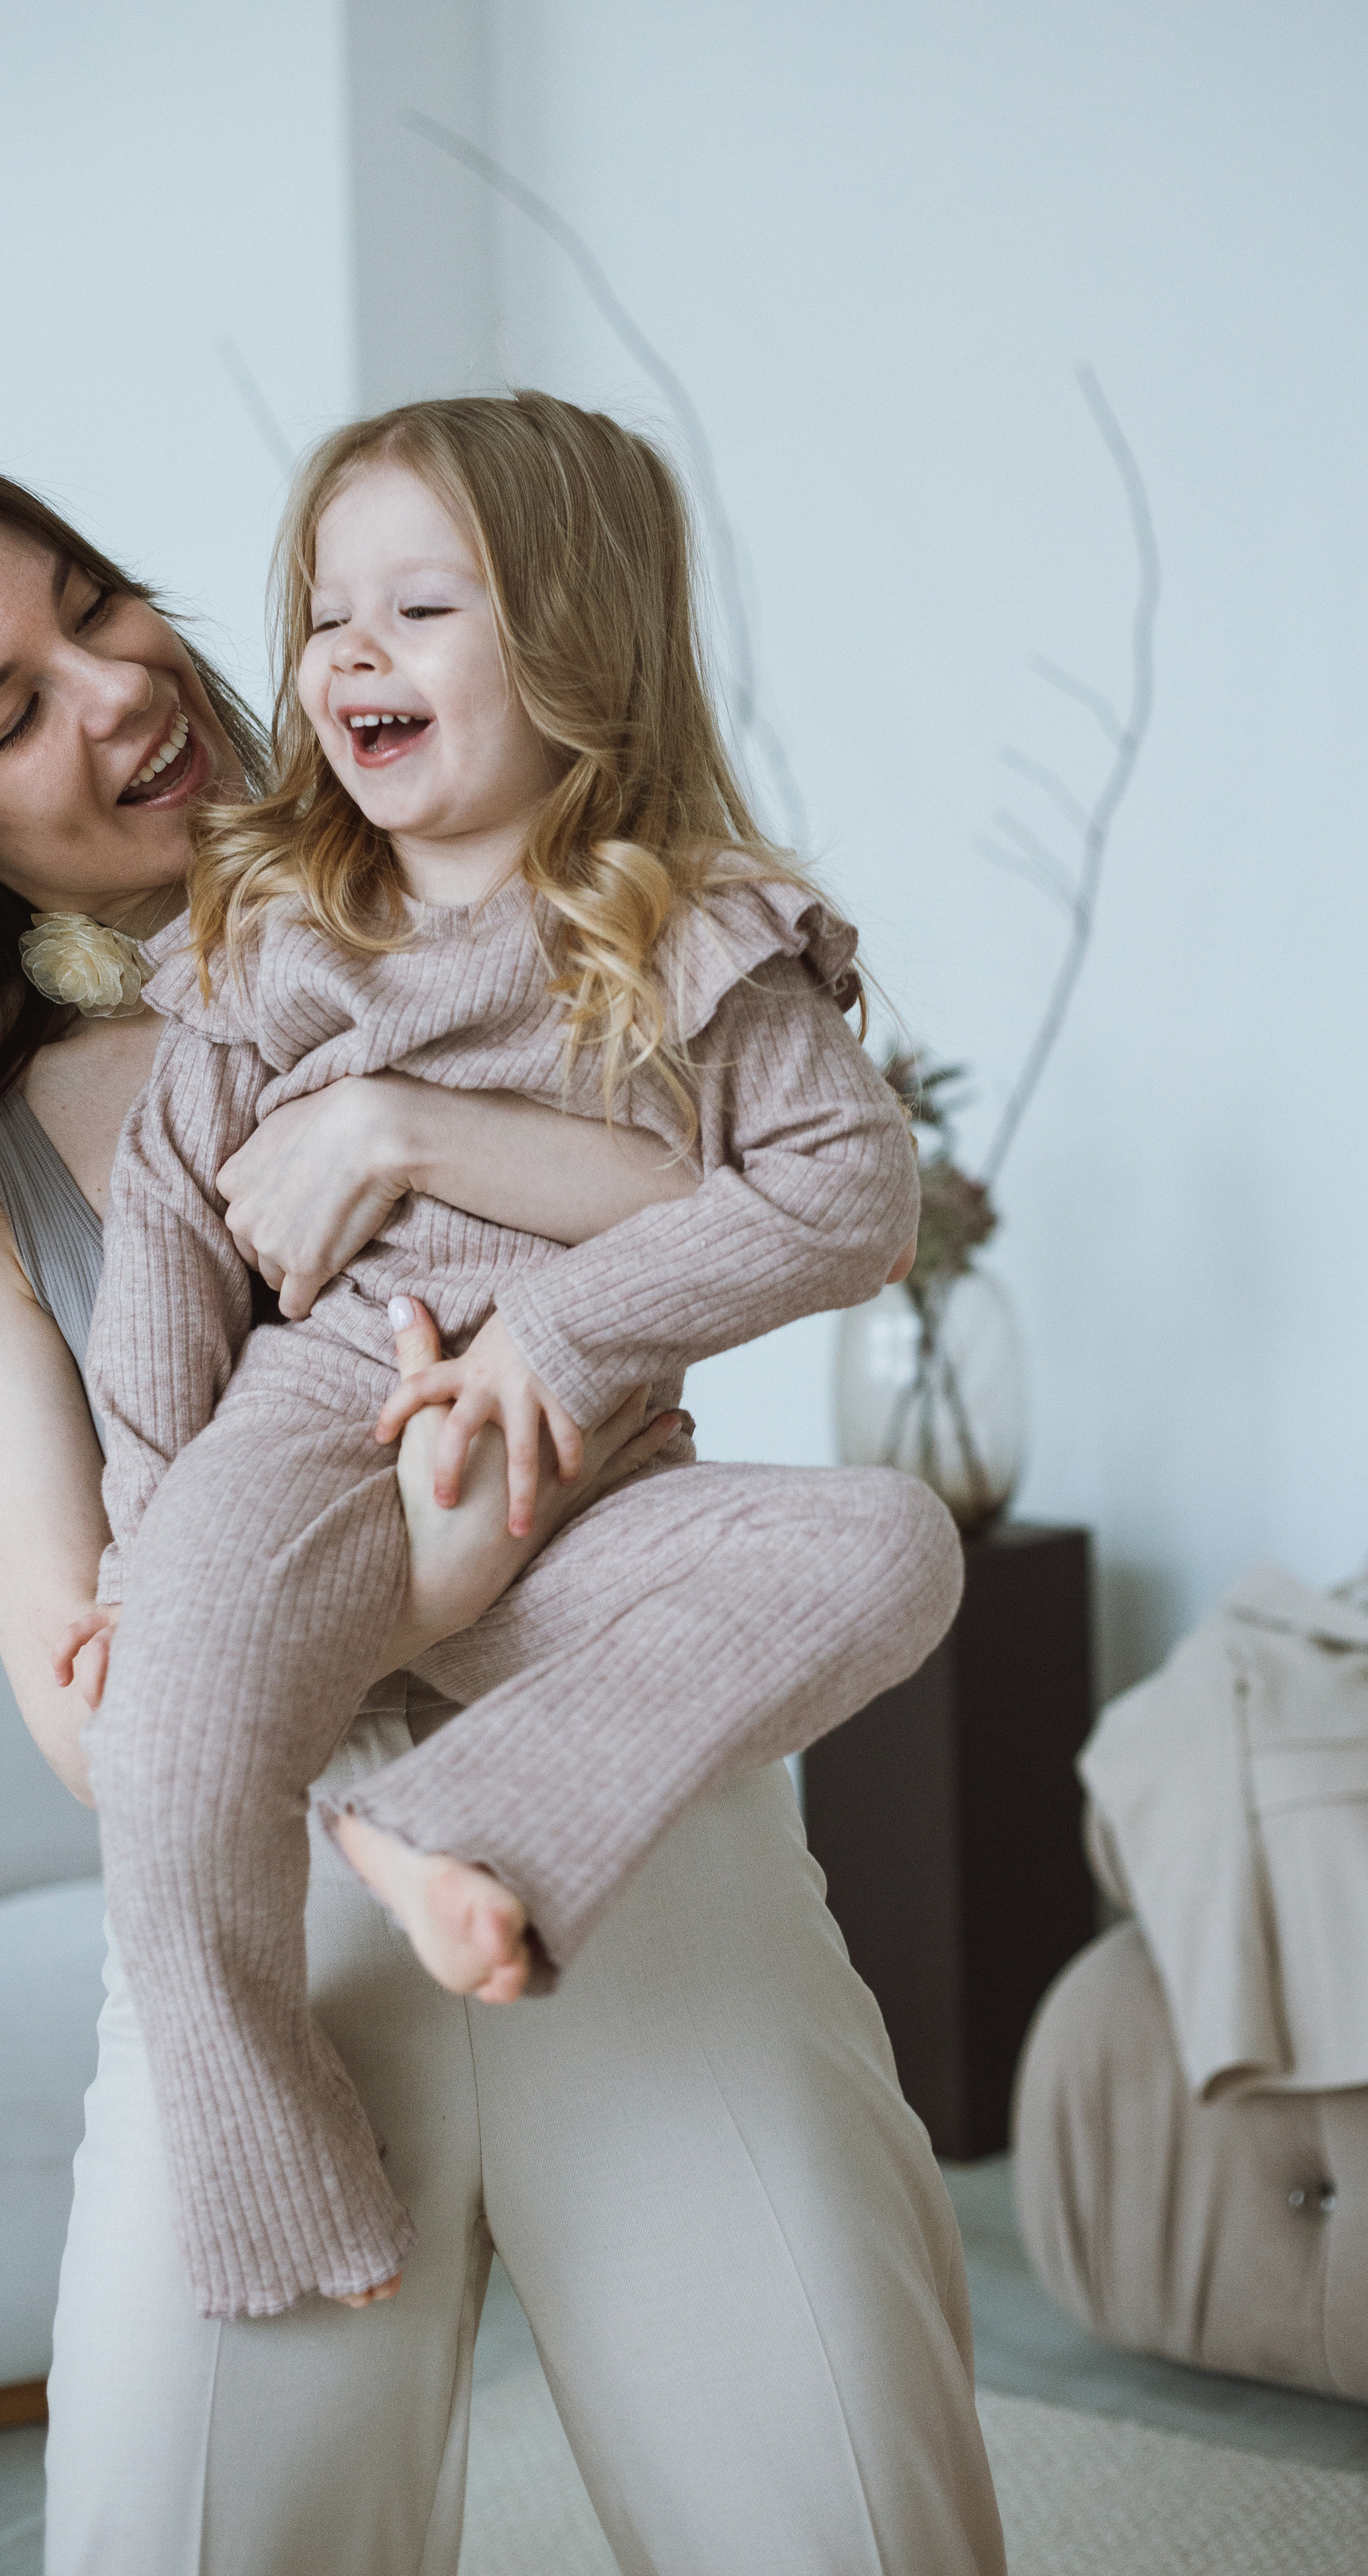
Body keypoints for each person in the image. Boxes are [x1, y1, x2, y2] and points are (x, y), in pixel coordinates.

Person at [0, 457, 1006, 2576]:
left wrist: (409, 1120)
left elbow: (790, 1203)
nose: (118, 686)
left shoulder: (494, 877)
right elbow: (85, 1697)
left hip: (632, 1843)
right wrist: (443, 1558)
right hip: (268, 1902)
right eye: (9, 712)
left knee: (848, 2536)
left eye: (94, 602)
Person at [81, 390, 965, 2326]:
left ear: (571, 644)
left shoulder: (687, 930)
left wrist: (560, 1326)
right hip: (325, 1409)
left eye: (420, 608)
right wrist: (145, 1524)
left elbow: (846, 1200)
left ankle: (469, 1825)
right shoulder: (274, 925)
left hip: (594, 1471)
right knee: (178, 1706)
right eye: (327, 614)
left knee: (896, 1543)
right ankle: (258, 2142)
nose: (348, 654)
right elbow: (163, 1225)